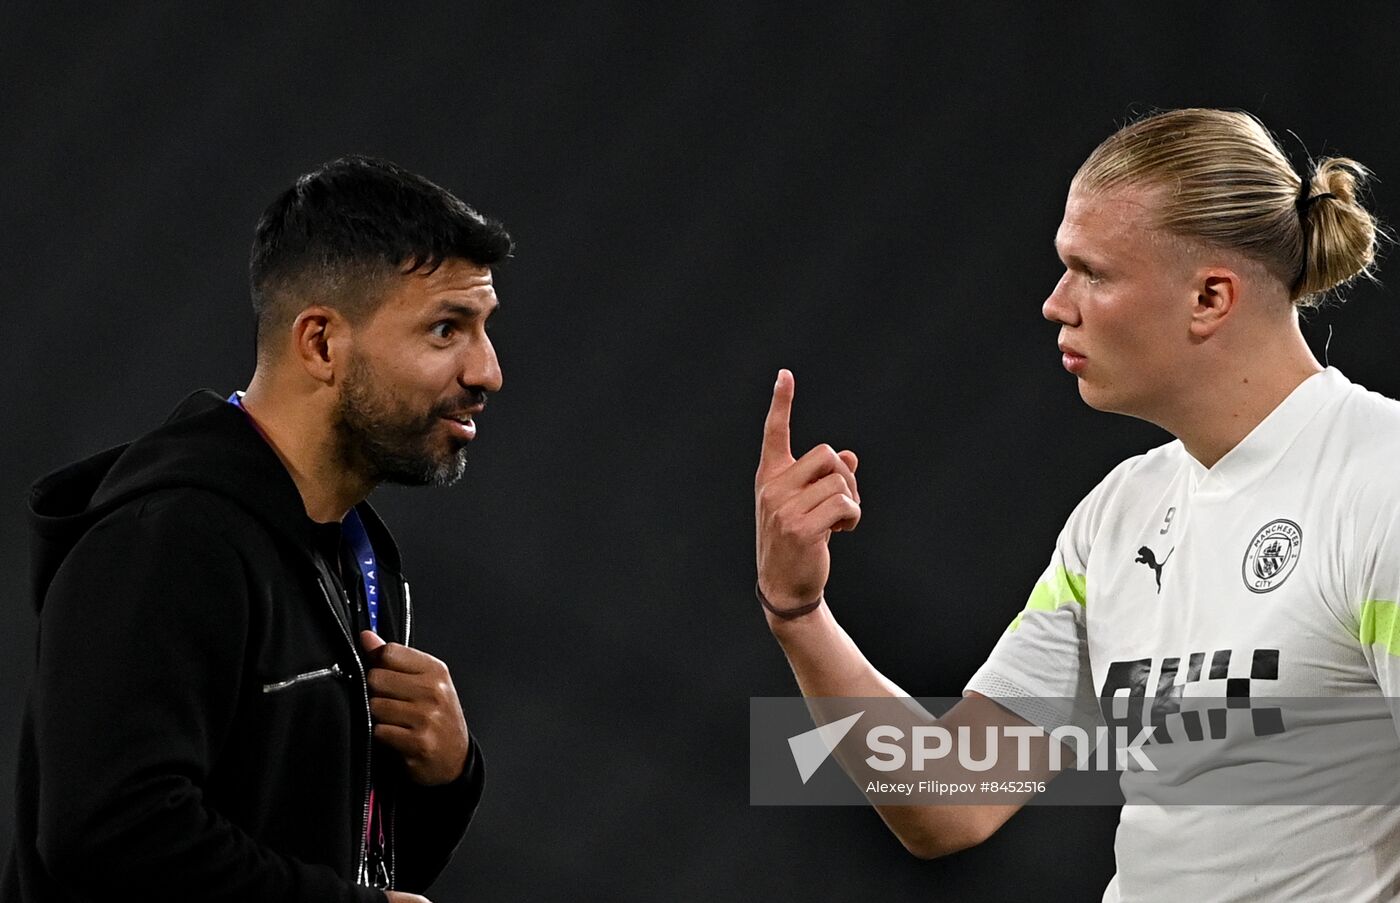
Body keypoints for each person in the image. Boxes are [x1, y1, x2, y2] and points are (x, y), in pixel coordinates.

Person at [753, 108, 1400, 899]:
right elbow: (950, 796)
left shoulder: (1381, 485)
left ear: (1210, 296)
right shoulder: (1119, 514)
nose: (1058, 303)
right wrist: (799, 611)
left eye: (1091, 271)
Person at [3, 156, 511, 903]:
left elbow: (328, 856)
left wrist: (446, 778)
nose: (487, 371)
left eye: (484, 329)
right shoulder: (167, 540)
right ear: (321, 344)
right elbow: (106, 834)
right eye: (446, 329)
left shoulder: (347, 552)